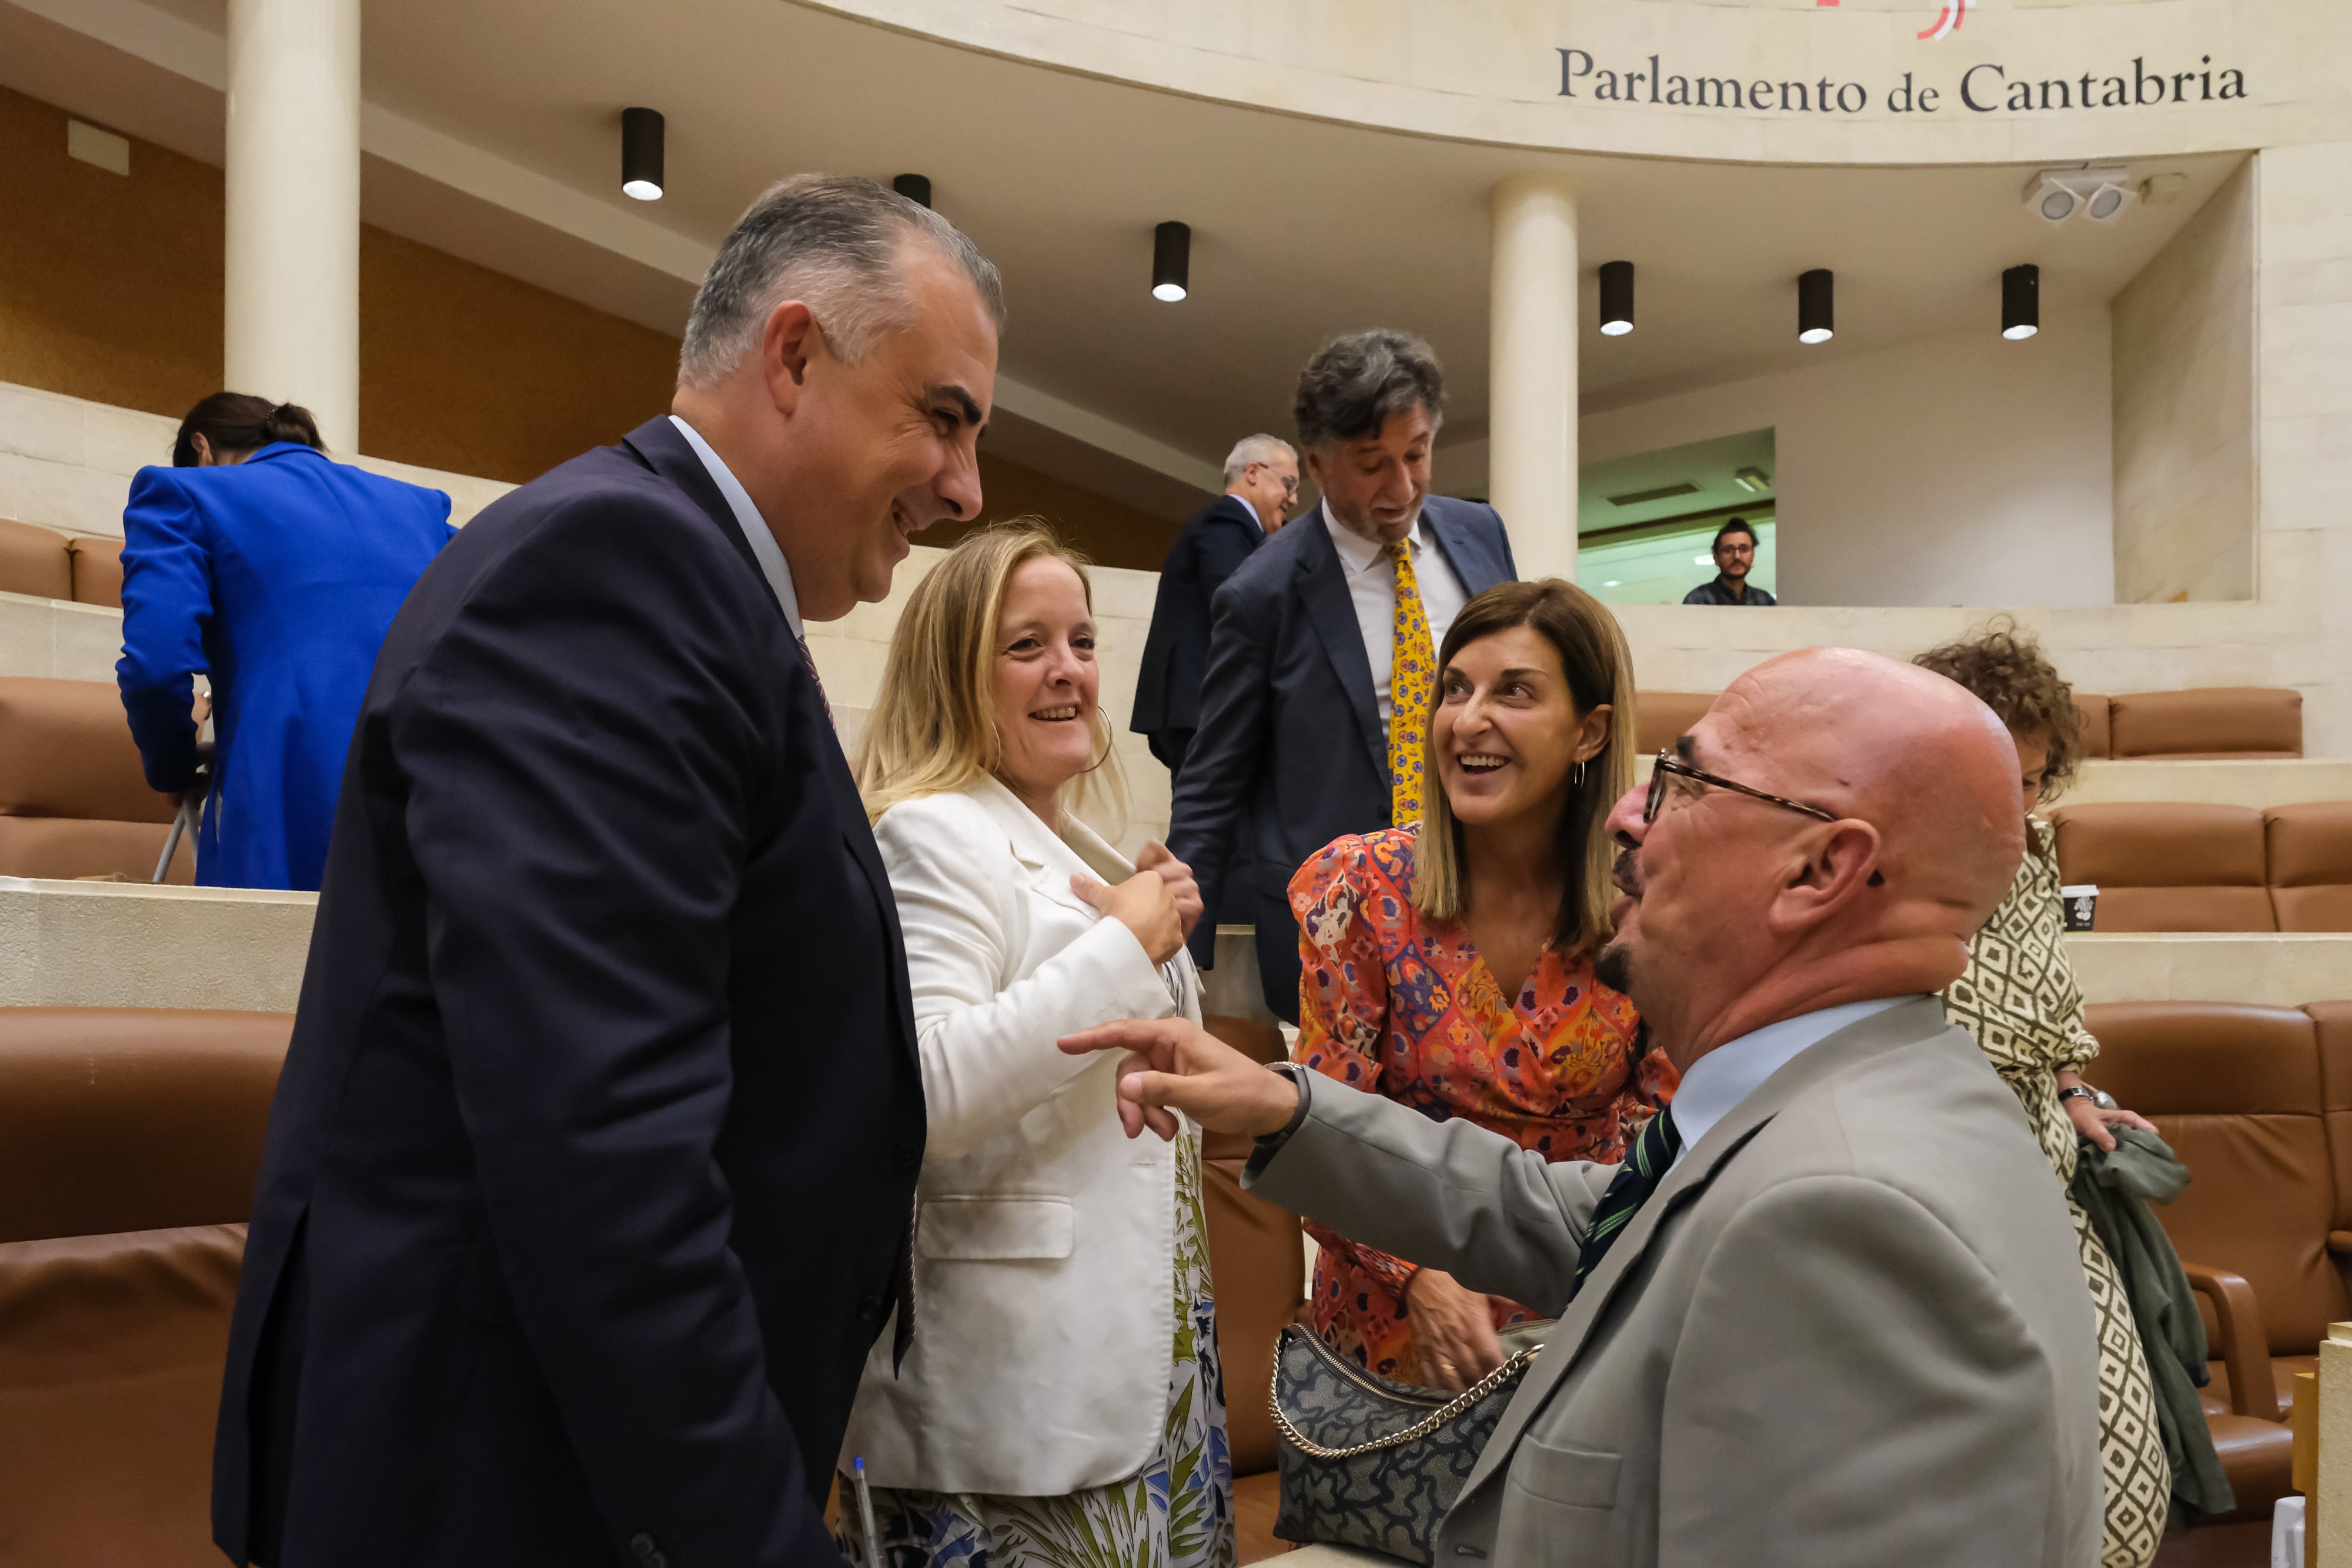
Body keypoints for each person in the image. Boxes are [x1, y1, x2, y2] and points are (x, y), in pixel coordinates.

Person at [211, 175, 1001, 1568]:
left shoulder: (687, 579)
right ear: (796, 356)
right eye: (942, 416)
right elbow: (604, 1152)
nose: (964, 487)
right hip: (495, 1487)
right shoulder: (618, 566)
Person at [1066, 647, 2104, 1567]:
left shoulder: (1843, 1218)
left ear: (1819, 869)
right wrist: (1282, 1106)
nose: (1624, 812)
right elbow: (1595, 1220)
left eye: (1684, 783)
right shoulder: (1857, 1098)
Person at [843, 521, 1230, 1568]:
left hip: (1147, 1359)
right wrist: (1125, 941)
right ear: (955, 673)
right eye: (1027, 646)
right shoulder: (925, 832)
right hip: (1018, 1392)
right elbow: (925, 1092)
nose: (1068, 671)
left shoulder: (1084, 846)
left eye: (1082, 641)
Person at [1289, 580, 1672, 1392]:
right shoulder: (1358, 887)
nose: (1469, 719)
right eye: (1454, 689)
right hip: (1388, 1342)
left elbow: (1657, 1147)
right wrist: (1418, 1274)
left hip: (1579, 1325)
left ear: (1590, 731)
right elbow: (1316, 1133)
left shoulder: (1649, 908)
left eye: (1515, 692)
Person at [1919, 620, 2189, 1567]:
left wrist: (2075, 1088)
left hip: (2047, 1178)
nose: (2015, 798)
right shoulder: (1883, 857)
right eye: (1994, 770)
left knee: (2122, 1475)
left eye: (2032, 778)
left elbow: (2049, 995)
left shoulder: (2033, 852)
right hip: (1928, 1193)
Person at [1168, 330, 1516, 1024]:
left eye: (1416, 454)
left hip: (1489, 900)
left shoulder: (1480, 535)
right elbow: (1212, 781)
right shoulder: (1259, 594)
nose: (1404, 485)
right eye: (1372, 465)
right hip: (1336, 933)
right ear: (1318, 465)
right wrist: (1173, 950)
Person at [115, 393, 453, 891]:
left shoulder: (182, 492)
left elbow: (155, 666)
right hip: (443, 792)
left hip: (286, 794)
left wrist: (173, 766)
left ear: (202, 449)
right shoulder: (423, 507)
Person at [1131, 433, 1298, 778]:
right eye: (1289, 484)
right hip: (1208, 710)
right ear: (1253, 472)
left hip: (1201, 711)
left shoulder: (1226, 526)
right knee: (1211, 825)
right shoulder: (1227, 522)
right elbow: (1242, 608)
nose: (1294, 499)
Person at [1679, 517, 1775, 605]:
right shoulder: (1698, 599)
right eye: (1728, 550)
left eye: (1744, 549)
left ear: (1753, 555)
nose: (1737, 556)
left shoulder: (1764, 601)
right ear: (1716, 558)